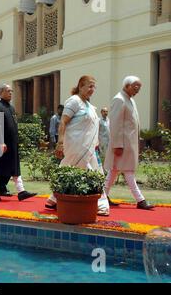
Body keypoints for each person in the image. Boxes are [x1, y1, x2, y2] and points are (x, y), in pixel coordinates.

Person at [45, 76, 110, 216]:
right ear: (81, 86)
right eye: (90, 86)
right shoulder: (74, 101)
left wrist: (96, 145)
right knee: (90, 173)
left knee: (91, 172)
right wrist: (60, 143)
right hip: (76, 146)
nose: (92, 89)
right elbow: (63, 122)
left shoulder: (89, 106)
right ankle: (101, 205)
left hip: (90, 149)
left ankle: (53, 199)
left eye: (94, 87)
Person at [104, 76, 155, 210]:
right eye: (135, 86)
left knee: (114, 171)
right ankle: (140, 200)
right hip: (122, 145)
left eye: (139, 87)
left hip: (128, 144)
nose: (137, 89)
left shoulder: (129, 100)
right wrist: (117, 145)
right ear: (126, 86)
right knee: (128, 171)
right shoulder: (119, 99)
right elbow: (115, 125)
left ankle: (102, 196)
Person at [0, 84, 37, 202]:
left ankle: (21, 191)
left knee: (14, 167)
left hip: (11, 144)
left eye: (11, 91)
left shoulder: (11, 107)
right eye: (8, 91)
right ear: (0, 92)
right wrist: (0, 142)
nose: (11, 93)